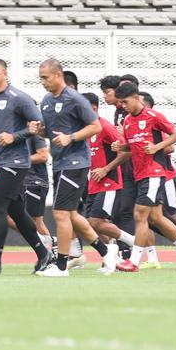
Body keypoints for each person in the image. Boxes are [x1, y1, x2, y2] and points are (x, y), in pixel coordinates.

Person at [0, 58, 54, 276]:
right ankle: (44, 254)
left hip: (16, 161)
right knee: (16, 211)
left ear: (5, 73)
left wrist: (14, 137)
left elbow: (40, 127)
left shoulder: (19, 98)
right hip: (0, 162)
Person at [32, 58, 111, 277]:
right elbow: (50, 131)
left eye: (45, 77)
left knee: (60, 214)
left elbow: (95, 126)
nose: (43, 82)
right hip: (59, 163)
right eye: (40, 78)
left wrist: (71, 137)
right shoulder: (47, 100)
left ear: (58, 75)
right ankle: (106, 252)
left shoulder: (75, 99)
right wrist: (39, 131)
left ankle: (61, 267)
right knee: (72, 214)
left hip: (76, 163)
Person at [114, 80, 176, 272]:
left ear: (136, 98)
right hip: (139, 174)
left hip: (154, 172)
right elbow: (133, 145)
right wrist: (121, 146)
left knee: (139, 214)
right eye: (121, 103)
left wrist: (156, 147)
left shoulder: (154, 116)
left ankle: (134, 261)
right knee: (156, 218)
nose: (123, 106)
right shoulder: (127, 121)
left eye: (125, 102)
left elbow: (175, 135)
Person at [82, 91, 134, 274]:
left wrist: (105, 169)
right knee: (91, 223)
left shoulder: (104, 126)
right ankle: (112, 257)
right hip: (93, 183)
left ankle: (132, 242)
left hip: (109, 182)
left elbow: (126, 151)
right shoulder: (87, 129)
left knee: (96, 222)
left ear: (93, 108)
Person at [100, 74, 139, 270]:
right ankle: (129, 252)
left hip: (135, 169)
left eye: (107, 92)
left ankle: (130, 253)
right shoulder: (119, 112)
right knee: (121, 213)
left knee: (129, 213)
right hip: (126, 169)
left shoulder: (131, 112)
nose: (105, 96)